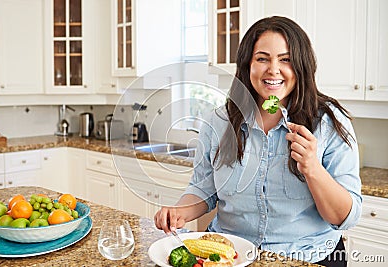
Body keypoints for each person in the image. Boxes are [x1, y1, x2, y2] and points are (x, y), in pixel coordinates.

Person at [154, 16, 362, 266]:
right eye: (262, 58)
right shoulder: (218, 122)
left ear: (302, 66)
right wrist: (180, 212)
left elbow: (344, 218)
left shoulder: (328, 123)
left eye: (285, 59)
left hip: (308, 257)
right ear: (247, 65)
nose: (273, 69)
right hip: (230, 255)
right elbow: (204, 189)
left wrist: (312, 168)